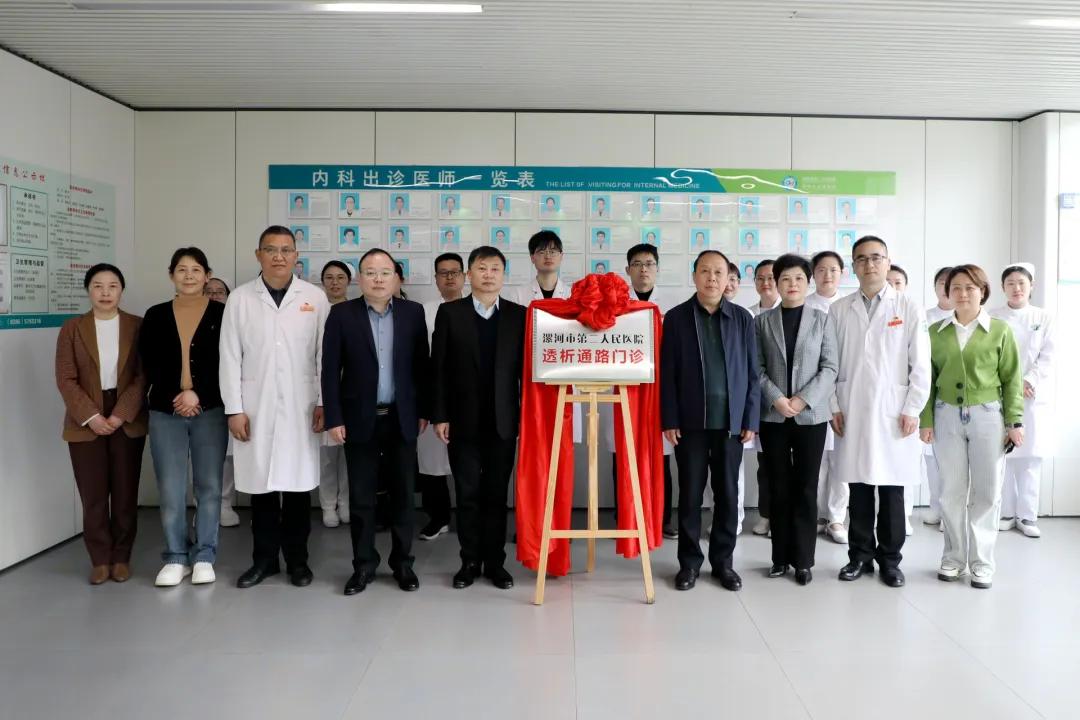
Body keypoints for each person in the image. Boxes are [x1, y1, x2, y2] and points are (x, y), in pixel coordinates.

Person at [219, 225, 330, 589]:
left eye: (286, 250)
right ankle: (264, 561)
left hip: (302, 406)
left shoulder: (314, 298)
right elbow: (229, 357)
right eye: (271, 249)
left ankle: (298, 562)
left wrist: (324, 402)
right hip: (255, 408)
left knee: (298, 491)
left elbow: (324, 357)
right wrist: (234, 409)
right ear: (259, 255)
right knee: (261, 490)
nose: (279, 256)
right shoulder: (240, 299)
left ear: (296, 256)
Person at [322, 248, 429, 595]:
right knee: (362, 497)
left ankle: (403, 564)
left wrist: (423, 410)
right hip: (359, 418)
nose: (378, 279)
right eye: (370, 272)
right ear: (359, 278)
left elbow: (421, 366)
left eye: (385, 272)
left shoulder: (413, 313)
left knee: (403, 496)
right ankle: (363, 565)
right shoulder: (342, 315)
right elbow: (329, 370)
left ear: (396, 277)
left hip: (401, 417)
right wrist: (334, 416)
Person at [830, 236, 930, 588]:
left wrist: (913, 407)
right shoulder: (839, 309)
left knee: (890, 491)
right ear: (853, 266)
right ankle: (859, 556)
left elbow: (921, 364)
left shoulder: (908, 306)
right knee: (858, 487)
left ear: (888, 262)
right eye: (862, 259)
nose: (869, 264)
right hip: (852, 409)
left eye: (876, 258)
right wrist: (833, 405)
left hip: (894, 412)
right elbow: (831, 363)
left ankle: (890, 560)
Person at [661, 250, 759, 592]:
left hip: (731, 424)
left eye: (719, 272)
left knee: (727, 495)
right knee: (689, 496)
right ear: (695, 276)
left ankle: (723, 563)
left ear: (728, 277)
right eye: (705, 271)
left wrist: (750, 417)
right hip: (690, 424)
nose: (712, 278)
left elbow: (752, 373)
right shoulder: (676, 318)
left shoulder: (742, 318)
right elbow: (668, 373)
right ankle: (689, 564)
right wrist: (670, 418)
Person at [920, 264, 1023, 589]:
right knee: (950, 490)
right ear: (947, 293)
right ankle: (953, 558)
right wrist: (926, 420)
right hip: (946, 414)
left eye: (970, 287)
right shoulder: (934, 332)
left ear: (983, 291)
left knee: (987, 492)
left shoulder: (1000, 330)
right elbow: (927, 381)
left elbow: (1012, 379)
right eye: (956, 288)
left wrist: (1014, 422)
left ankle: (982, 563)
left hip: (988, 416)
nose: (962, 294)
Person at [431, 246, 526, 590]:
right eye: (482, 268)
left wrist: (527, 418)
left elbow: (526, 373)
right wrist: (440, 414)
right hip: (462, 420)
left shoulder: (519, 315)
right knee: (468, 493)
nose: (488, 275)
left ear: (503, 275)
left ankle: (495, 562)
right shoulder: (450, 313)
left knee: (497, 495)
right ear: (469, 274)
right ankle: (469, 561)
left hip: (504, 421)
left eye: (495, 268)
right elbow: (438, 368)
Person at [140, 248, 227, 587]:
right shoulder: (156, 314)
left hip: (210, 411)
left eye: (195, 269)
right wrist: (178, 396)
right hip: (167, 411)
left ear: (207, 275)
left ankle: (205, 554)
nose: (189, 276)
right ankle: (176, 556)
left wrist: (199, 394)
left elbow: (230, 361)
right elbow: (149, 363)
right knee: (171, 488)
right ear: (171, 275)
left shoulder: (223, 313)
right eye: (181, 269)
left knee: (209, 486)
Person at [55, 264, 147, 585]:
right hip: (85, 417)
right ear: (88, 290)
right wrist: (92, 416)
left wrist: (120, 413)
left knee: (124, 491)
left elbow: (143, 375)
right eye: (98, 286)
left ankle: (121, 557)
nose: (105, 292)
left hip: (126, 416)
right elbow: (65, 378)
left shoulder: (137, 325)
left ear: (121, 290)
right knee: (92, 494)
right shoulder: (72, 328)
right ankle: (99, 559)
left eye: (112, 286)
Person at [756, 254, 838, 585]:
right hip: (773, 416)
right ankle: (779, 557)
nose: (792, 284)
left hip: (811, 416)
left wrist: (803, 399)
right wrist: (776, 398)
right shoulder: (762, 322)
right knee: (778, 487)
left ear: (808, 283)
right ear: (776, 283)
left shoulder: (822, 320)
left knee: (806, 487)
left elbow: (830, 367)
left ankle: (803, 560)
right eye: (785, 279)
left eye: (799, 279)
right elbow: (756, 367)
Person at [604, 244, 678, 538]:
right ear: (628, 270)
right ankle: (625, 515)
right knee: (622, 454)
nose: (643, 269)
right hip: (622, 387)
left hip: (658, 390)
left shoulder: (671, 306)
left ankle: (662, 518)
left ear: (657, 269)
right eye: (637, 264)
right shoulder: (614, 304)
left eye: (649, 263)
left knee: (660, 455)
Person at [991, 263, 1055, 538]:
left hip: (1031, 396)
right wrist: (1007, 386)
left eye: (1021, 283)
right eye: (1010, 283)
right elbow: (989, 356)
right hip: (1000, 395)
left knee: (1030, 458)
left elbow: (1049, 355)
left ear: (1031, 286)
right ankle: (1006, 512)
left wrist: (1029, 380)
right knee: (1003, 456)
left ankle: (1028, 516)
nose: (1016, 288)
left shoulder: (1043, 317)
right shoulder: (993, 317)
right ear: (1003, 287)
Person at [417, 253, 465, 541]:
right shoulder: (423, 312)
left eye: (454, 272)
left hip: (466, 396)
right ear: (435, 278)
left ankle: (469, 518)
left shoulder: (476, 308)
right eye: (443, 273)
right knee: (431, 461)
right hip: (433, 394)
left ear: (464, 276)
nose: (449, 277)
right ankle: (438, 517)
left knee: (469, 461)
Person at [805, 251, 849, 544]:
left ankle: (836, 517)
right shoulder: (805, 305)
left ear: (842, 273)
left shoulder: (848, 305)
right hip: (814, 394)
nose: (827, 275)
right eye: (821, 270)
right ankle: (817, 515)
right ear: (813, 274)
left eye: (833, 269)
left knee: (841, 460)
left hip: (844, 393)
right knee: (815, 461)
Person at [318, 260, 353, 528]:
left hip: (352, 392)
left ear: (349, 282)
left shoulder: (355, 311)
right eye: (329, 277)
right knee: (327, 457)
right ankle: (328, 506)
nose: (335, 282)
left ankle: (347, 504)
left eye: (340, 277)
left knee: (350, 456)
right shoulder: (315, 311)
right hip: (323, 391)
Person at [920, 266, 955, 529]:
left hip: (952, 394)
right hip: (927, 392)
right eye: (941, 282)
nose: (945, 287)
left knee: (952, 460)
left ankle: (950, 512)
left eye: (950, 283)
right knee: (931, 458)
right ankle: (935, 507)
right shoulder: (924, 316)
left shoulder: (964, 318)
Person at [748, 259, 780, 537]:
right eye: (760, 278)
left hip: (789, 401)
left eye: (771, 277)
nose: (766, 282)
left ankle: (783, 518)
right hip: (760, 400)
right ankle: (767, 515)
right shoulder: (747, 315)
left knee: (787, 466)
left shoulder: (791, 311)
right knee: (766, 465)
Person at [204, 278, 239, 527]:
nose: (215, 295)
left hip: (231, 398)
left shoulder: (236, 319)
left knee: (229, 456)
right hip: (201, 399)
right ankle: (204, 506)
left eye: (220, 292)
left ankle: (225, 503)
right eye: (209, 291)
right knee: (203, 456)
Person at [512, 229, 569, 304]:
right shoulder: (518, 295)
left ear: (561, 256)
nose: (548, 256)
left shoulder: (571, 295)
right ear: (532, 258)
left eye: (552, 252)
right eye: (542, 252)